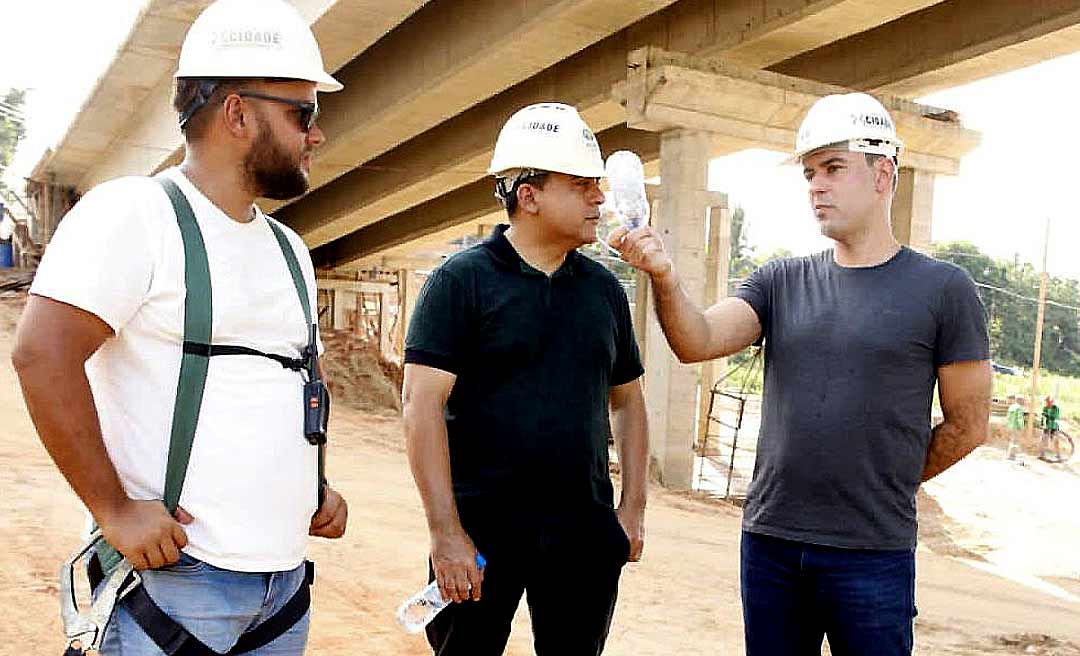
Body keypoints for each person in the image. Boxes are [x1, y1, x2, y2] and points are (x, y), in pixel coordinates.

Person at [12, 0, 348, 652]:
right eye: (302, 113)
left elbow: (296, 380)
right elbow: (41, 354)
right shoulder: (136, 215)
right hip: (179, 586)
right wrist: (114, 510)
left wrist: (315, 485)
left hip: (282, 589)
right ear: (237, 113)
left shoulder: (288, 249)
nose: (317, 134)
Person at [609, 92, 991, 655]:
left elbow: (969, 425)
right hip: (772, 547)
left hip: (872, 554)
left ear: (883, 174)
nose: (817, 185)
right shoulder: (780, 281)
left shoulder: (943, 290)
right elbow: (699, 340)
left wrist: (884, 481)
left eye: (834, 168)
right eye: (811, 172)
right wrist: (665, 278)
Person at [402, 102, 649, 656]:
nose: (599, 198)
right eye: (582, 184)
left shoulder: (604, 292)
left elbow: (628, 403)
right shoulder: (460, 283)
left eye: (598, 185)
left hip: (582, 536)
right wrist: (446, 534)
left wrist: (632, 508)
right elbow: (420, 407)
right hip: (480, 535)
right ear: (528, 194)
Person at [1040, 395, 1062, 460]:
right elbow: (1043, 416)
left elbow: (1055, 417)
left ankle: (1058, 455)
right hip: (1046, 426)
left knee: (1055, 441)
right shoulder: (1045, 408)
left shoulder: (1056, 408)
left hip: (1054, 427)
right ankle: (1042, 454)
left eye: (1048, 401)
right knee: (1044, 440)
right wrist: (1042, 422)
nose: (1047, 403)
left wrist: (1047, 415)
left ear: (1051, 401)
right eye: (1046, 401)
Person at [1006, 394, 1026, 460]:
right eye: (1023, 401)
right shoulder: (1019, 408)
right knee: (1015, 441)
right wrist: (1022, 427)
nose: (1024, 402)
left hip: (1010, 426)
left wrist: (1008, 425)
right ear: (1021, 401)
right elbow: (1019, 418)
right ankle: (1011, 456)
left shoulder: (1011, 407)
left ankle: (1010, 455)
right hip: (1016, 427)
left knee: (1012, 441)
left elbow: (1008, 417)